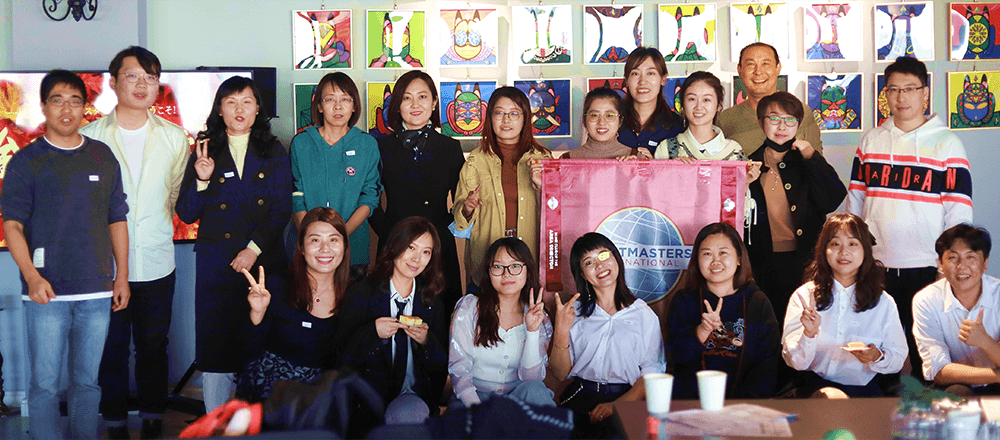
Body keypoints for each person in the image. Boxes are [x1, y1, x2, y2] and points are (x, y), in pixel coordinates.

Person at [0, 69, 130, 440]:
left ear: (85, 107)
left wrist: (121, 276)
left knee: (88, 383)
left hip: (97, 291)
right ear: (44, 107)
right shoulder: (27, 161)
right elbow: (12, 226)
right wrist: (32, 277)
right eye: (57, 99)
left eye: (75, 100)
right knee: (43, 385)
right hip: (46, 292)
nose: (67, 108)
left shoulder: (102, 157)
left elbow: (116, 219)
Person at [79, 46, 188, 439]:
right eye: (132, 76)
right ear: (113, 82)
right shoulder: (89, 138)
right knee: (110, 349)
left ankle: (153, 418)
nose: (142, 85)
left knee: (154, 346)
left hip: (158, 259)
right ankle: (113, 422)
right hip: (103, 266)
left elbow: (174, 195)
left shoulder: (175, 138)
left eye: (150, 78)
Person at [846, 57, 973, 379]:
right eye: (893, 90)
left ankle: (925, 419)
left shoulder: (947, 144)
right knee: (876, 349)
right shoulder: (871, 141)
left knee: (925, 354)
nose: (901, 98)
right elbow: (855, 204)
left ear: (925, 93)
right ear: (885, 95)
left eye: (910, 89)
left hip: (926, 268)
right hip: (876, 266)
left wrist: (949, 267)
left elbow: (958, 215)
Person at [175, 76, 292, 412]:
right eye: (231, 102)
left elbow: (281, 207)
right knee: (218, 348)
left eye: (247, 101)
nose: (239, 109)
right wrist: (201, 179)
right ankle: (217, 424)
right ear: (220, 109)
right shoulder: (204, 149)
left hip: (264, 261)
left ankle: (261, 424)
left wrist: (252, 250)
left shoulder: (273, 149)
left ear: (258, 109)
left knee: (263, 342)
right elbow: (186, 213)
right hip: (217, 266)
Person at [550, 232, 665, 438]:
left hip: (627, 398)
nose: (599, 265)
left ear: (616, 258)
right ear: (582, 274)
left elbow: (652, 371)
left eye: (603, 255)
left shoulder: (643, 314)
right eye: (588, 262)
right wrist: (561, 330)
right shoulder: (572, 312)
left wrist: (617, 405)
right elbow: (560, 373)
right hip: (580, 394)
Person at [337, 216, 448, 424]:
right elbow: (341, 359)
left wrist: (426, 342)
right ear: (394, 246)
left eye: (426, 252)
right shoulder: (362, 293)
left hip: (411, 397)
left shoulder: (432, 301)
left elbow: (441, 368)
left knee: (406, 416)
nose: (417, 259)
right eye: (411, 247)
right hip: (367, 396)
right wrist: (372, 333)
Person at [745, 91, 846, 321]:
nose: (782, 126)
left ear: (798, 124)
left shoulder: (806, 161)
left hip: (806, 260)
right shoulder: (749, 164)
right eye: (774, 118)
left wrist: (812, 157)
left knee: (805, 323)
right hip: (763, 262)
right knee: (770, 323)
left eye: (790, 120)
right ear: (761, 122)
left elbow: (833, 198)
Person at [782, 213, 907, 398]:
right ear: (824, 249)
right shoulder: (804, 296)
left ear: (865, 250)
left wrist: (877, 356)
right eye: (835, 244)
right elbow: (795, 362)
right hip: (815, 384)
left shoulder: (883, 301)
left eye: (852, 244)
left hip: (864, 389)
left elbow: (898, 356)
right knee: (833, 399)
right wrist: (809, 334)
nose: (843, 252)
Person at [370, 70, 465, 314]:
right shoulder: (380, 148)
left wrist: (464, 211)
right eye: (407, 98)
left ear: (434, 102)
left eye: (422, 97)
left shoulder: (450, 148)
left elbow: (460, 203)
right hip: (395, 242)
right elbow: (368, 199)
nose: (415, 105)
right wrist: (392, 235)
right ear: (397, 104)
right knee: (392, 316)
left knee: (439, 319)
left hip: (438, 246)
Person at [235, 207, 351, 402]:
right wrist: (258, 312)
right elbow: (247, 353)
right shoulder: (277, 284)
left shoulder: (354, 294)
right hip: (273, 392)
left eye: (333, 240)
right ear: (302, 248)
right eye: (315, 240)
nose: (325, 248)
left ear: (345, 247)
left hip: (322, 397)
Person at [666, 222, 780, 399]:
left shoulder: (757, 302)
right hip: (692, 406)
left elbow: (767, 365)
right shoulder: (684, 300)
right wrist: (702, 330)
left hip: (744, 408)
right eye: (707, 254)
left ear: (739, 258)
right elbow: (676, 357)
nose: (715, 261)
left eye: (723, 253)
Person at [452, 87, 552, 284]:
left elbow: (557, 213)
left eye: (514, 113)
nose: (506, 120)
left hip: (529, 256)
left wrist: (541, 187)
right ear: (490, 118)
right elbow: (460, 221)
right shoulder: (475, 160)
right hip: (487, 260)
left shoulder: (542, 159)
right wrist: (467, 208)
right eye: (499, 113)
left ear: (525, 118)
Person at [290, 72, 380, 278]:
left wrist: (340, 237)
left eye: (345, 99)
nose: (338, 106)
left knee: (352, 306)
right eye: (330, 99)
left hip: (352, 247)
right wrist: (312, 239)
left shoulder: (367, 144)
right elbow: (296, 194)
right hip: (308, 250)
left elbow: (370, 197)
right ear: (320, 106)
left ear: (354, 105)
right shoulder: (302, 142)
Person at [449, 237, 553, 408]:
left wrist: (533, 331)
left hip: (518, 398)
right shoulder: (469, 308)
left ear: (527, 271)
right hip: (474, 397)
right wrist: (479, 411)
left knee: (536, 391)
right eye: (498, 267)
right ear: (488, 272)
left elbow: (531, 379)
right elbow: (459, 370)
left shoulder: (538, 315)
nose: (506, 274)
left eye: (515, 266)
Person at [913, 225, 1000, 396]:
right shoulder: (926, 300)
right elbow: (939, 371)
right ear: (941, 264)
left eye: (971, 257)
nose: (962, 266)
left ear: (985, 264)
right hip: (956, 383)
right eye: (953, 257)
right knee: (954, 395)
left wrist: (985, 342)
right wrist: (995, 376)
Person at [719, 42, 823, 156]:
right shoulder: (725, 119)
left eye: (765, 64)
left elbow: (818, 165)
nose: (758, 72)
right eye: (750, 64)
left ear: (778, 68)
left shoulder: (802, 111)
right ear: (739, 70)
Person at [655, 71, 749, 163]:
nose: (698, 107)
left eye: (706, 100)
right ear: (682, 104)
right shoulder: (666, 149)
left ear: (719, 105)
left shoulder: (734, 151)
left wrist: (748, 178)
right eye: (692, 99)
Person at [615, 47, 683, 158]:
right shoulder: (611, 119)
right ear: (626, 80)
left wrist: (653, 165)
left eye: (650, 73)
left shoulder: (676, 126)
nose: (642, 81)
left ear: (663, 79)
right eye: (635, 73)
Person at [560, 87, 633, 159]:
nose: (601, 122)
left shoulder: (636, 158)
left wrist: (636, 168)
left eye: (609, 115)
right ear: (585, 120)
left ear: (620, 121)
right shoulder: (567, 160)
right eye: (594, 115)